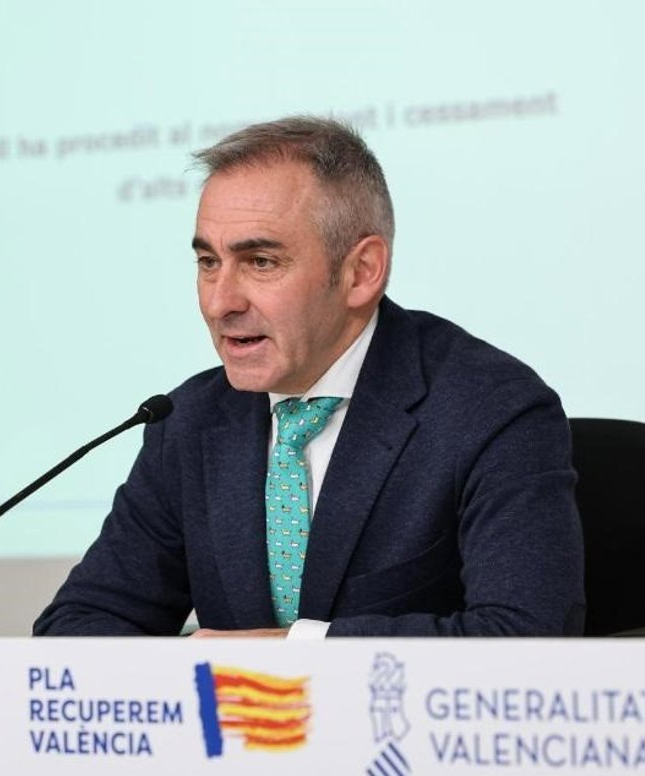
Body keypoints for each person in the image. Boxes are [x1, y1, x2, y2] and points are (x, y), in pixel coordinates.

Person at [34, 116, 584, 638]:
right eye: (208, 263)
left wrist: (292, 652)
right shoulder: (189, 422)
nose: (220, 302)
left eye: (261, 262)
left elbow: (526, 636)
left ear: (361, 273)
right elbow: (78, 625)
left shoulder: (489, 410)